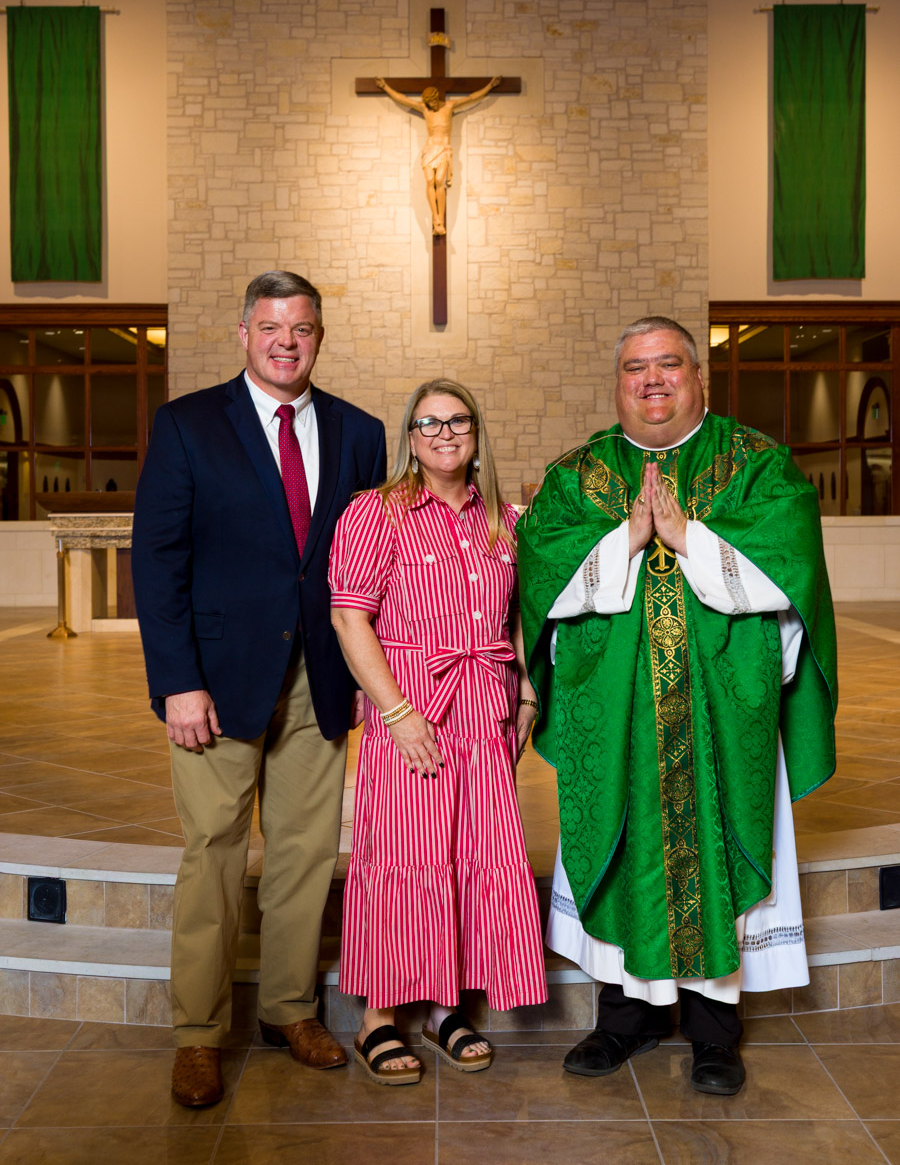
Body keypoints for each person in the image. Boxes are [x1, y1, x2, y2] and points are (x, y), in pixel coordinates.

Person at [517, 317, 837, 1096]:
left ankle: (714, 1032)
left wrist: (689, 537)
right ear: (617, 382)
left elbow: (786, 568)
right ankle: (622, 1019)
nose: (652, 379)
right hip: (617, 714)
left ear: (700, 376)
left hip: (722, 713)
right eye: (635, 367)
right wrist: (624, 541)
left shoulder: (757, 465)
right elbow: (541, 574)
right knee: (620, 844)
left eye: (669, 364)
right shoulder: (579, 476)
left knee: (718, 845)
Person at [132, 271, 387, 1107]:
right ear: (244, 332)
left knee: (307, 851)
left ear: (320, 336)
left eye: (303, 328)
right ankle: (199, 1034)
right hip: (215, 681)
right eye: (272, 326)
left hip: (322, 675)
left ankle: (288, 1010)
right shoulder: (187, 425)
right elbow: (159, 561)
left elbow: (366, 561)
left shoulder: (360, 432)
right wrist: (177, 683)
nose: (288, 341)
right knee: (212, 852)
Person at [329, 379, 548, 1085]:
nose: (445, 433)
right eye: (429, 423)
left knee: (469, 857)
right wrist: (395, 713)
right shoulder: (377, 513)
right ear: (410, 436)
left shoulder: (505, 521)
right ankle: (379, 1018)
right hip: (412, 711)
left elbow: (521, 615)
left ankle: (446, 1007)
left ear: (477, 433)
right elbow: (348, 617)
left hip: (485, 710)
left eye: (458, 421)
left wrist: (527, 694)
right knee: (404, 859)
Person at [374, 77, 502, 235]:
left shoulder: (449, 106)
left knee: (439, 181)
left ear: (437, 99)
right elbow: (402, 99)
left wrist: (489, 86)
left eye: (433, 103)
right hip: (429, 149)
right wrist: (385, 87)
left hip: (443, 149)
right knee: (429, 181)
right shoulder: (425, 109)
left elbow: (471, 98)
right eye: (429, 104)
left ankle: (440, 218)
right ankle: (436, 219)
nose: (431, 106)